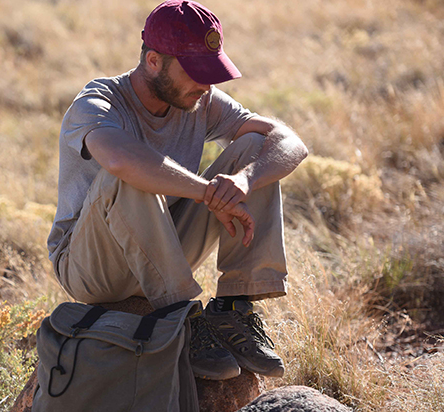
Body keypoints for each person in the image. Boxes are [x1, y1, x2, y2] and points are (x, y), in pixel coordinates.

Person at [46, 0, 308, 380]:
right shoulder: (96, 102)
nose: (207, 84)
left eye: (212, 71)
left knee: (255, 149)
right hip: (93, 267)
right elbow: (121, 162)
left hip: (161, 244)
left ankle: (234, 308)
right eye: (196, 72)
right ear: (154, 62)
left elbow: (290, 142)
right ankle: (182, 315)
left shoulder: (201, 99)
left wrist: (243, 181)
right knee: (126, 173)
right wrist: (207, 193)